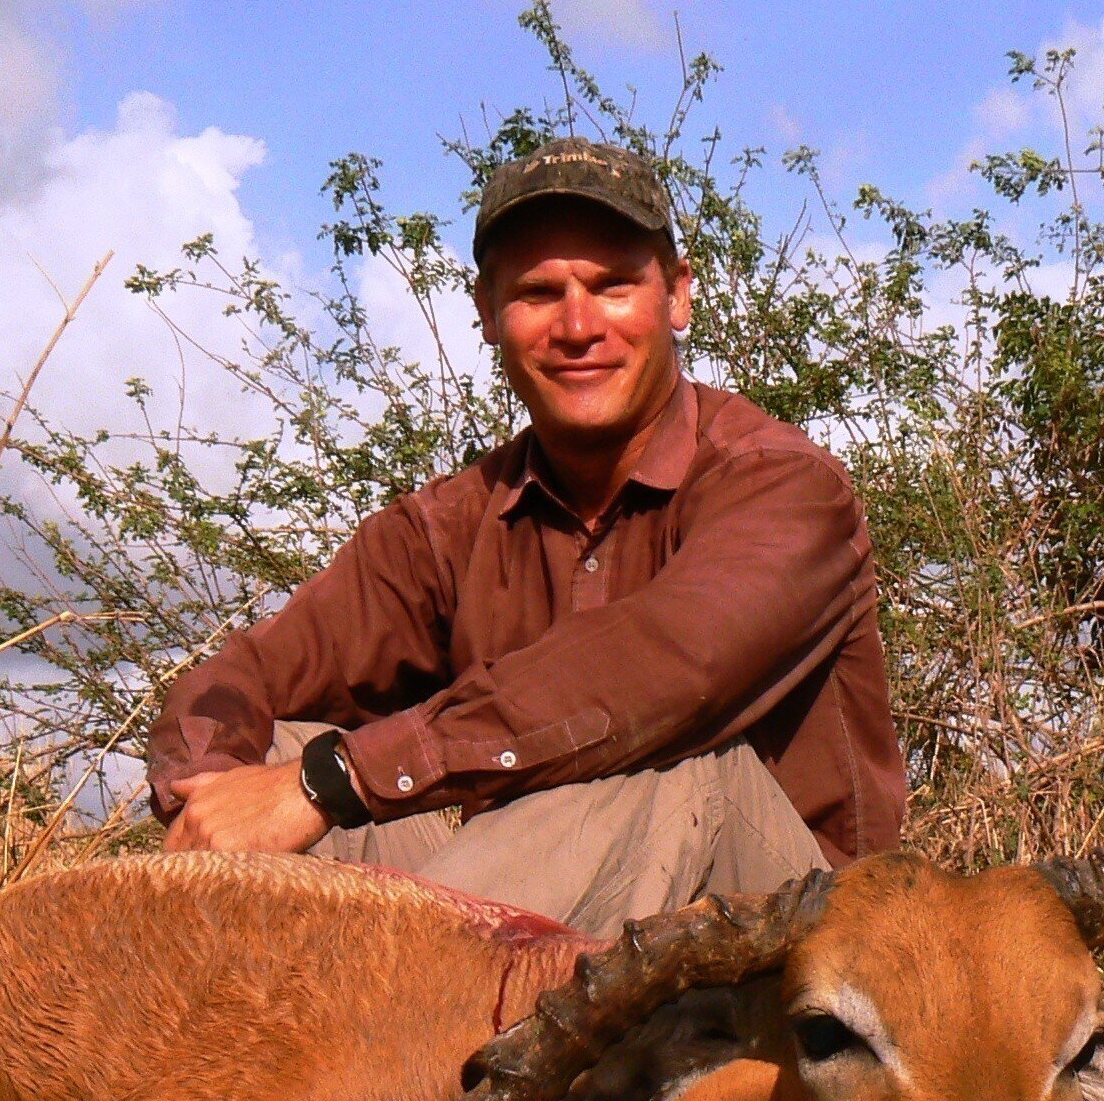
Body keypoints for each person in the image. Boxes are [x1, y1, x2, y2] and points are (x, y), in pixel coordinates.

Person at [143, 136, 904, 936]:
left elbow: (668, 669)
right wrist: (213, 801)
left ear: (677, 297)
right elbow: (250, 671)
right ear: (488, 316)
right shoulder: (451, 523)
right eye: (540, 293)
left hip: (801, 942)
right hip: (550, 915)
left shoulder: (783, 485)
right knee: (278, 754)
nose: (578, 327)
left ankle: (401, 1033)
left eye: (612, 286)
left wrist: (336, 782)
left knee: (666, 774)